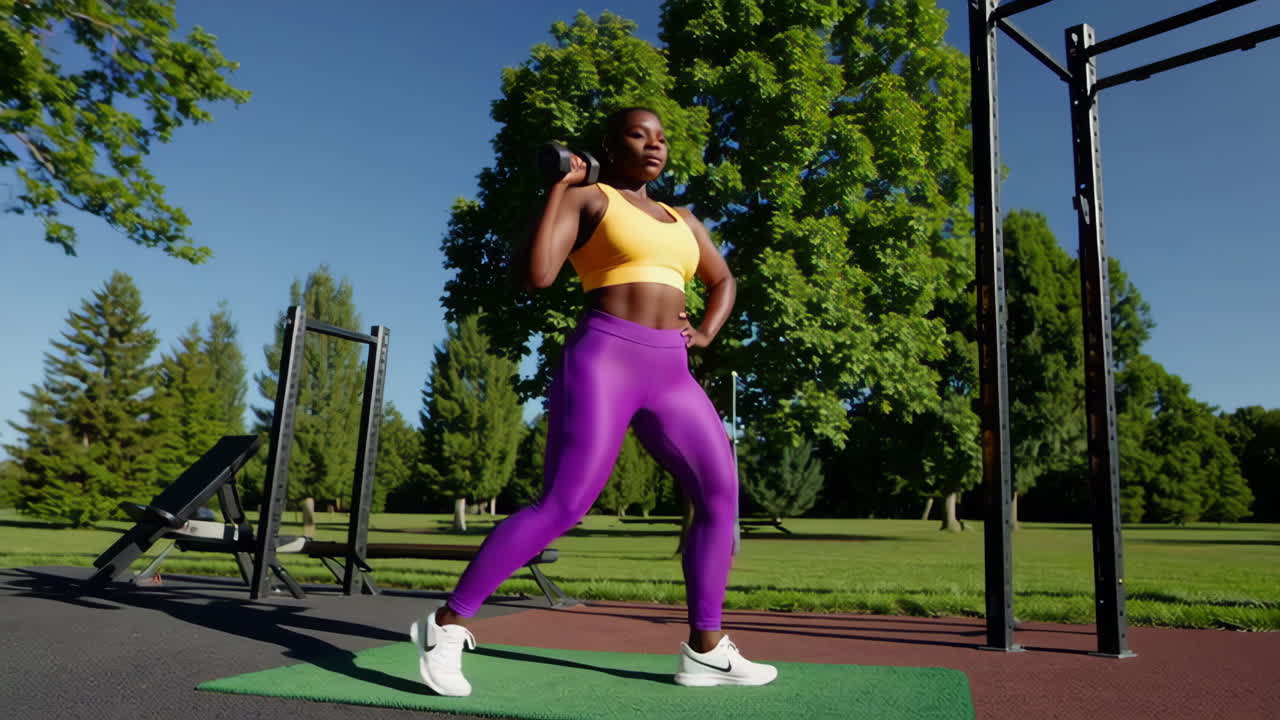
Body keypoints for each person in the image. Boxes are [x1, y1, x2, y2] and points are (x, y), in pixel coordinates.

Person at [409, 107, 778, 696]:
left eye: (661, 137)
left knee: (720, 495)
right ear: (610, 145)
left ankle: (706, 651)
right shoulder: (591, 199)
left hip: (673, 372)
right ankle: (446, 626)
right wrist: (560, 186)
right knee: (564, 503)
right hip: (605, 359)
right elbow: (536, 275)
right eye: (639, 134)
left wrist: (706, 331)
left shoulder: (684, 219)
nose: (654, 145)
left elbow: (723, 280)